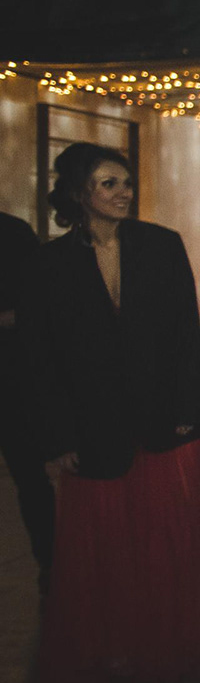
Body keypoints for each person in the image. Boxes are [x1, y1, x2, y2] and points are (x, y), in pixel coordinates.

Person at [26, 143, 200, 683]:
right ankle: (112, 644)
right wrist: (57, 437)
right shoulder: (50, 263)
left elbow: (185, 332)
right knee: (104, 548)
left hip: (163, 419)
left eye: (125, 183)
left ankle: (175, 637)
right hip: (93, 425)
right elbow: (41, 357)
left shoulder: (161, 246)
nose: (124, 193)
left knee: (168, 538)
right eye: (108, 184)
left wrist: (190, 409)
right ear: (79, 193)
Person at [0, 210, 53, 596]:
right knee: (31, 479)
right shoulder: (14, 231)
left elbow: (36, 305)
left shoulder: (13, 234)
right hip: (13, 378)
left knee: (30, 478)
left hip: (11, 380)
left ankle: (51, 563)